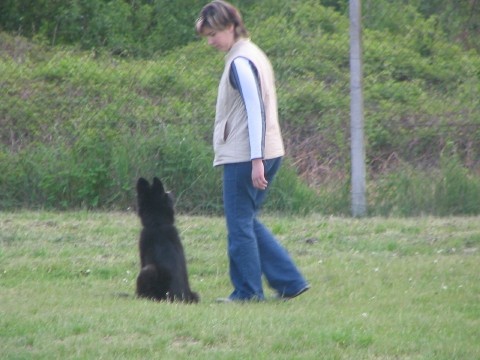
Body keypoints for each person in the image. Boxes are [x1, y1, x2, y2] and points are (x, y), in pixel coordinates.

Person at [195, 0, 310, 302]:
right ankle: (290, 282)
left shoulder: (239, 62)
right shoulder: (252, 52)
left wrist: (256, 160)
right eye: (207, 36)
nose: (210, 41)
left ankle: (247, 293)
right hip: (269, 149)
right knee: (246, 220)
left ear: (231, 27)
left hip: (247, 156)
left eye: (214, 34)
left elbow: (255, 110)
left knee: (239, 227)